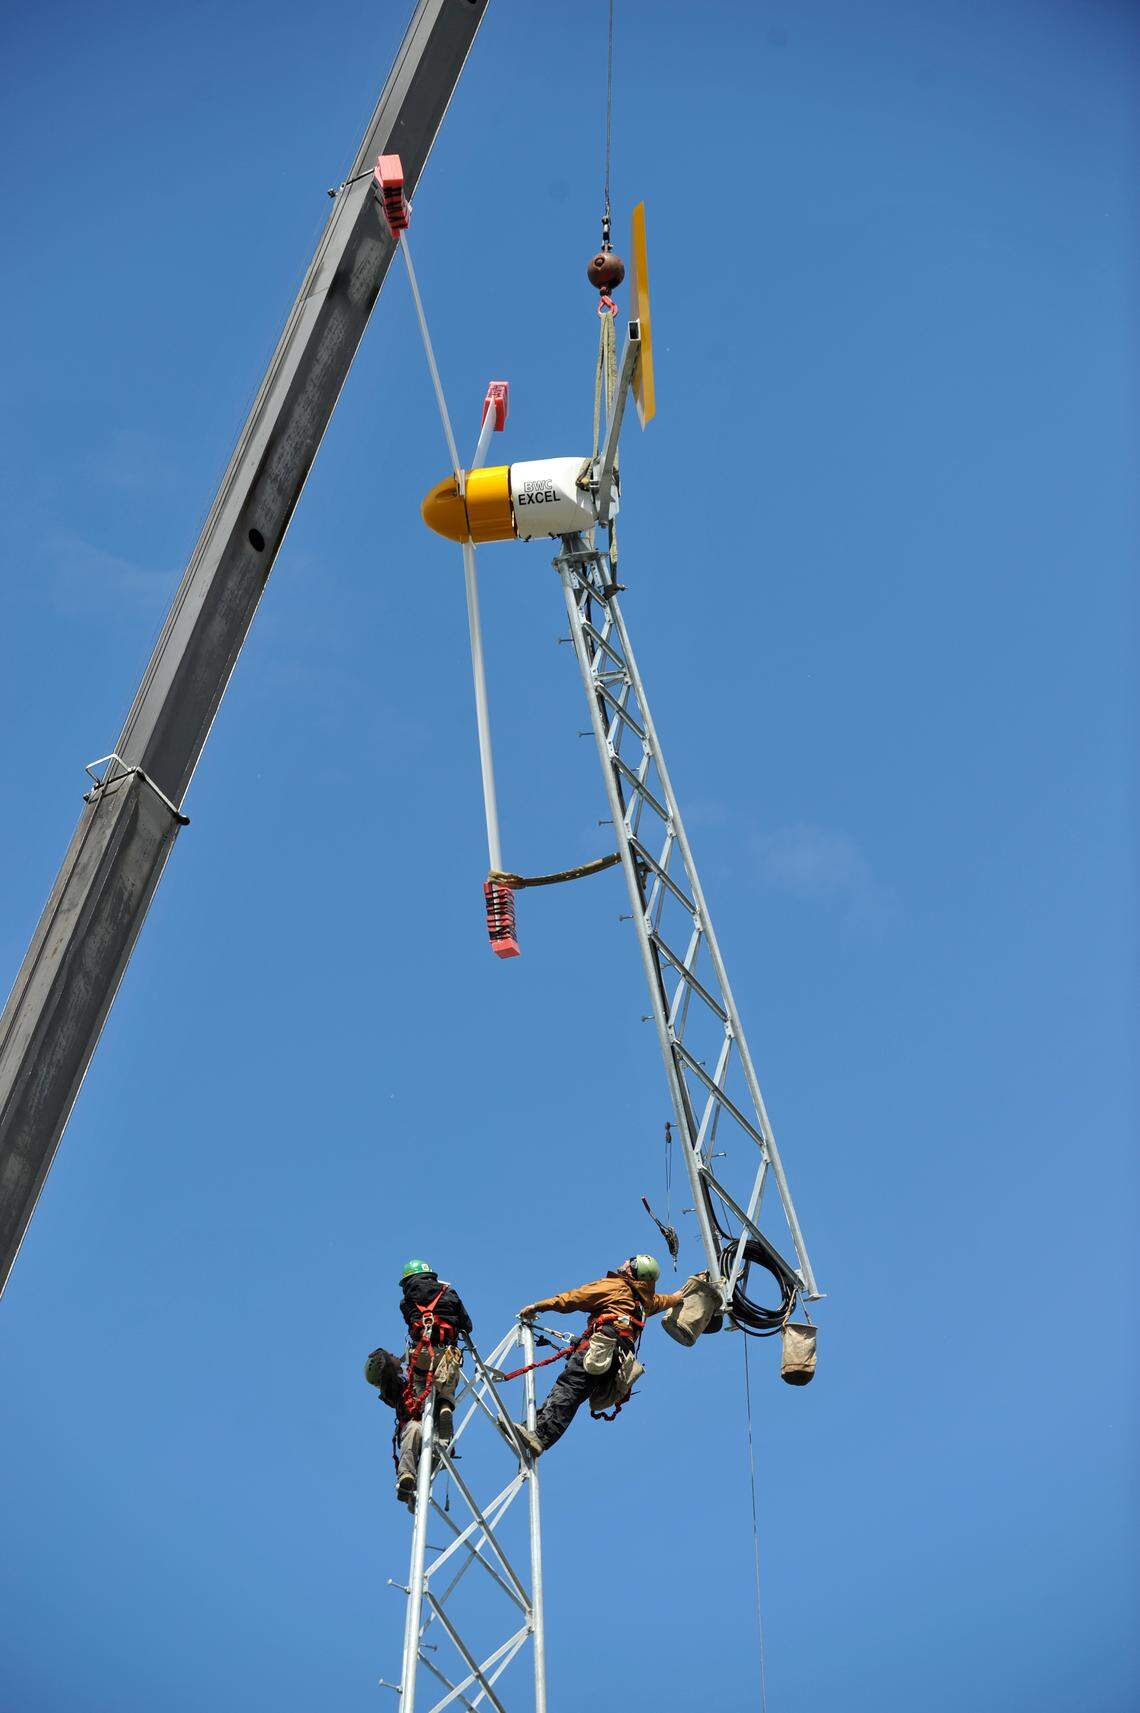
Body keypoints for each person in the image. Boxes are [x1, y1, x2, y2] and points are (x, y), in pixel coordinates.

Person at [509, 1254, 682, 1457]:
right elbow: (669, 1299)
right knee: (572, 1391)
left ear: (632, 1270)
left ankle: (540, 1436)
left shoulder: (616, 1287)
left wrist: (539, 1306)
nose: (625, 1261)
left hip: (602, 1346)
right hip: (617, 1359)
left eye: (629, 1261)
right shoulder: (646, 1302)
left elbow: (575, 1298)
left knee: (569, 1388)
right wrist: (685, 1292)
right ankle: (533, 1428)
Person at [394, 1259, 473, 1507]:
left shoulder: (406, 1301)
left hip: (422, 1352)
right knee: (445, 1385)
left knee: (418, 1402)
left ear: (407, 1282)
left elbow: (410, 1321)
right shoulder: (449, 1293)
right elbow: (467, 1325)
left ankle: (408, 1474)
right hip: (448, 1351)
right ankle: (445, 1405)